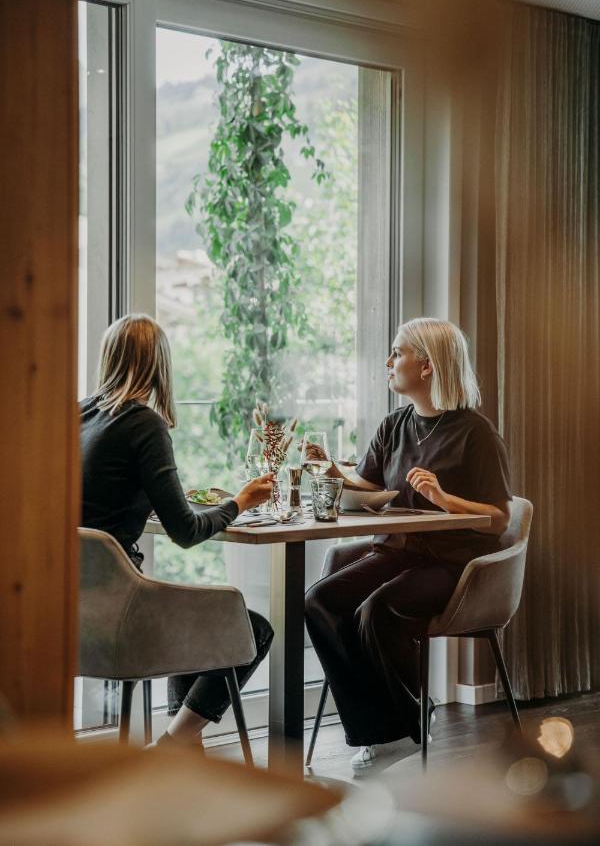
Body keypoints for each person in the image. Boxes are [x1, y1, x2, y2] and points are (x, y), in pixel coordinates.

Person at [304, 317, 512, 774]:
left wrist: (443, 499)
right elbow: (366, 484)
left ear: (428, 366)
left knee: (377, 609)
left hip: (453, 564)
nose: (389, 361)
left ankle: (403, 727)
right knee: (319, 601)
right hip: (395, 551)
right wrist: (329, 470)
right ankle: (392, 722)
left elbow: (499, 517)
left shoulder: (475, 433)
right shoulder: (395, 425)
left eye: (398, 352)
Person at [80, 313, 275, 747]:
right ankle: (171, 746)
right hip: (120, 613)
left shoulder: (80, 417)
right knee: (253, 628)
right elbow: (185, 532)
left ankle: (182, 749)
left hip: (71, 613)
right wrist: (240, 502)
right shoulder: (143, 424)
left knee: (194, 614)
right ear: (160, 365)